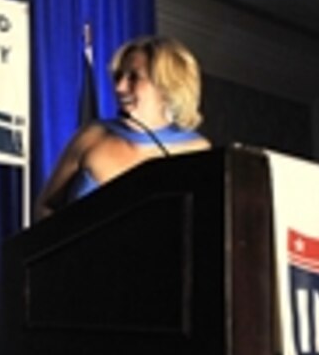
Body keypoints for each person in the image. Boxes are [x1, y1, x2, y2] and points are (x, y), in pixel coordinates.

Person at [35, 35, 211, 219]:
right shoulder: (91, 136)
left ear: (167, 85)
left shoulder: (196, 150)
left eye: (133, 77)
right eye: (118, 76)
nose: (119, 87)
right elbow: (46, 206)